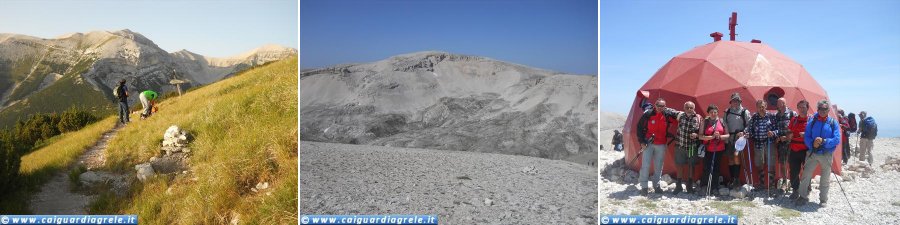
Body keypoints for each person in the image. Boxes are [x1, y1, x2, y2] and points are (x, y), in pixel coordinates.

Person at [796, 100, 842, 207]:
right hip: (813, 152)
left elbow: (836, 139)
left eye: (825, 109)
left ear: (828, 110)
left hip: (826, 153)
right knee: (806, 175)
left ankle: (823, 200)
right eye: (820, 108)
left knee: (825, 177)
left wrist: (824, 142)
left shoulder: (833, 122)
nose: (822, 111)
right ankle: (803, 196)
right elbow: (807, 136)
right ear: (817, 109)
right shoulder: (812, 121)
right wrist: (813, 144)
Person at [636, 98, 678, 196]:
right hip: (648, 143)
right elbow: (639, 127)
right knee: (645, 165)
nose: (660, 108)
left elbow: (678, 120)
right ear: (655, 105)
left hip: (661, 144)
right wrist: (641, 141)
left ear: (665, 106)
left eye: (663, 106)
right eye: (659, 105)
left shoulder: (667, 115)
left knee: (658, 166)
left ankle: (657, 186)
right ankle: (644, 187)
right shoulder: (648, 114)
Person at [738, 100, 778, 191]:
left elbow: (778, 129)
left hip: (769, 143)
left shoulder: (771, 116)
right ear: (757, 107)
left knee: (771, 163)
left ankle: (771, 185)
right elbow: (749, 128)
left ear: (766, 106)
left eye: (763, 106)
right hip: (758, 143)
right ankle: (762, 183)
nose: (761, 108)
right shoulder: (754, 117)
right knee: (759, 163)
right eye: (759, 107)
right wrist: (746, 133)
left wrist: (773, 133)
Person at [672, 101, 702, 194]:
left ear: (694, 108)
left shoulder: (698, 118)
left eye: (691, 108)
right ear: (684, 108)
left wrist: (696, 134)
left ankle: (689, 185)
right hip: (680, 145)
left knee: (691, 166)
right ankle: (678, 185)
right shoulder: (680, 115)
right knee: (679, 165)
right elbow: (668, 110)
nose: (689, 109)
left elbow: (702, 131)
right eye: (687, 107)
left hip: (692, 147)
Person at [699, 104, 729, 195]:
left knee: (716, 168)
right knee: (706, 168)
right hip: (708, 149)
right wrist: (711, 137)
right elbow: (700, 136)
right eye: (711, 112)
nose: (713, 114)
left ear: (717, 112)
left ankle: (714, 186)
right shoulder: (705, 122)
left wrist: (719, 137)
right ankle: (704, 186)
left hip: (719, 148)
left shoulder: (722, 121)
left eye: (715, 112)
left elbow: (727, 135)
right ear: (708, 113)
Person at [723, 93, 751, 188]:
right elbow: (724, 124)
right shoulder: (727, 112)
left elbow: (749, 124)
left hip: (739, 138)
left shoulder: (744, 112)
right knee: (730, 158)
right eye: (733, 101)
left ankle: (736, 179)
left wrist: (744, 132)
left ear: (740, 101)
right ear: (731, 102)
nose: (735, 102)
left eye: (737, 100)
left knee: (736, 157)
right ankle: (732, 179)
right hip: (729, 138)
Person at [787, 100, 810, 200]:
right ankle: (795, 190)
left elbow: (815, 134)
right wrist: (789, 135)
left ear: (807, 108)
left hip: (806, 150)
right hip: (794, 149)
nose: (801, 109)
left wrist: (806, 135)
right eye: (800, 107)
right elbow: (788, 133)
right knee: (794, 171)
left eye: (803, 107)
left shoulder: (811, 120)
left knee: (807, 171)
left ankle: (806, 189)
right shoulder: (794, 120)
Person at [773, 98, 796, 193]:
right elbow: (776, 128)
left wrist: (787, 137)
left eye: (778, 102)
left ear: (783, 103)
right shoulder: (777, 115)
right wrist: (777, 137)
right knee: (782, 162)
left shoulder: (792, 113)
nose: (776, 104)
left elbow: (795, 128)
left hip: (790, 142)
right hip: (781, 143)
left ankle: (793, 182)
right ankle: (785, 181)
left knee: (792, 163)